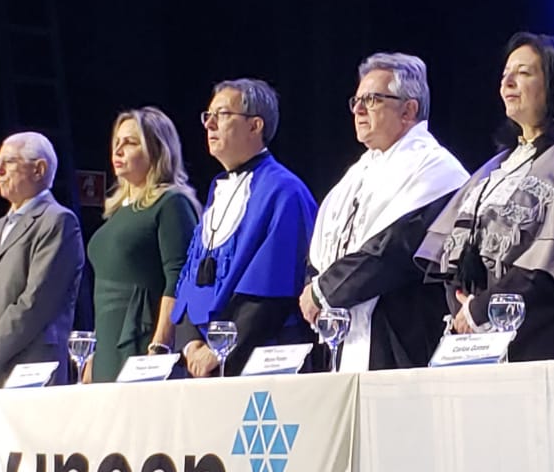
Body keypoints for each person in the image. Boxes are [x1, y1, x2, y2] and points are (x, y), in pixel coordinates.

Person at [416, 32, 554, 360]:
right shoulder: (498, 166)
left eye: (523, 73)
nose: (508, 83)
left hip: (548, 341)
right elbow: (452, 254)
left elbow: (549, 265)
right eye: (505, 74)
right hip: (481, 341)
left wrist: (480, 310)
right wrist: (465, 309)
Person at [301, 52, 468, 371]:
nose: (359, 109)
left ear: (409, 110)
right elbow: (322, 249)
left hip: (399, 340)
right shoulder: (358, 172)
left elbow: (392, 251)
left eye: (373, 99)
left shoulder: (436, 170)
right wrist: (315, 285)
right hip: (344, 335)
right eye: (357, 100)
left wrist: (323, 292)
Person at [172, 78, 317, 377]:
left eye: (223, 114)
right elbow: (190, 277)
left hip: (261, 359)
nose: (209, 124)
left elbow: (272, 288)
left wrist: (219, 350)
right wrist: (191, 344)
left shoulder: (284, 191)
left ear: (255, 126)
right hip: (204, 362)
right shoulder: (218, 191)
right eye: (208, 115)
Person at [0, 131, 85, 388]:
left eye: (8, 162)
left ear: (39, 170)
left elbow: (35, 302)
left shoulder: (58, 221)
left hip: (30, 367)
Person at [81, 107, 198, 384]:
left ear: (157, 150)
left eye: (131, 142)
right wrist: (95, 355)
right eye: (117, 142)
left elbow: (178, 278)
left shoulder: (171, 203)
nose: (119, 150)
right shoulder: (118, 211)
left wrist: (160, 345)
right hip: (108, 343)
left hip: (143, 342)